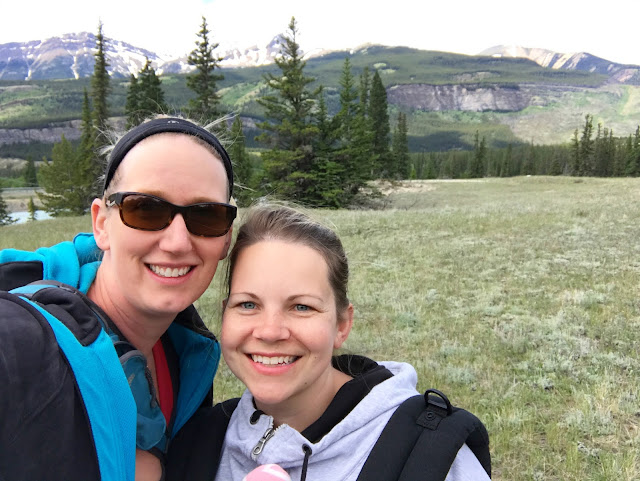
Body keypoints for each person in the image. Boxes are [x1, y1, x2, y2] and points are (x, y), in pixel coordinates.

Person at [166, 203, 490, 481]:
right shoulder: (197, 443)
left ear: (342, 325)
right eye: (248, 304)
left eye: (301, 307)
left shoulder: (428, 456)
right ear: (225, 315)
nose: (269, 331)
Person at [0, 116, 236, 481]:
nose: (176, 243)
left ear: (225, 240)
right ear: (101, 224)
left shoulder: (186, 355)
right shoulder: (25, 340)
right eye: (146, 209)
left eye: (206, 216)